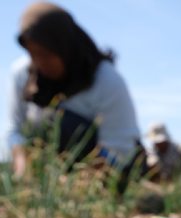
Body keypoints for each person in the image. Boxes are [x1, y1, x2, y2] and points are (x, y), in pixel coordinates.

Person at [8, 2, 144, 192]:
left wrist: (75, 186)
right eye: (32, 53)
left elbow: (120, 148)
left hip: (100, 174)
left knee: (66, 124)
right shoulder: (23, 75)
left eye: (46, 54)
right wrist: (24, 171)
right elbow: (17, 131)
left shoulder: (106, 80)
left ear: (64, 46)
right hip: (50, 176)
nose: (39, 62)